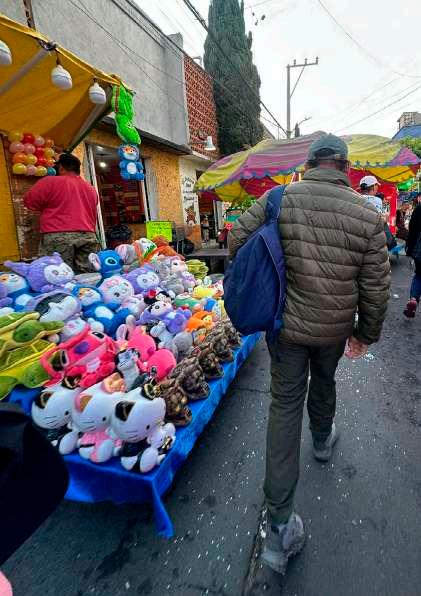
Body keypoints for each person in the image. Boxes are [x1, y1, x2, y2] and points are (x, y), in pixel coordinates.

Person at [228, 134, 390, 575]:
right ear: (346, 169)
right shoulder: (367, 214)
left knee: (284, 405)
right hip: (333, 330)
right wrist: (365, 334)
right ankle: (321, 439)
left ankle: (279, 524)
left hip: (285, 328)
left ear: (310, 164)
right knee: (326, 380)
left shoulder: (279, 198)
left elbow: (237, 240)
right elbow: (377, 287)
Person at [24, 153, 99, 273]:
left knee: (58, 276)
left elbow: (29, 202)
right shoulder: (90, 188)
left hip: (58, 235)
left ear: (61, 168)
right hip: (88, 235)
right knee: (87, 276)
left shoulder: (49, 182)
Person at [404, 201, 421, 317]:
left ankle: (414, 298)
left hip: (419, 249)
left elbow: (412, 228)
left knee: (419, 275)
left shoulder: (419, 208)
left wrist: (409, 247)